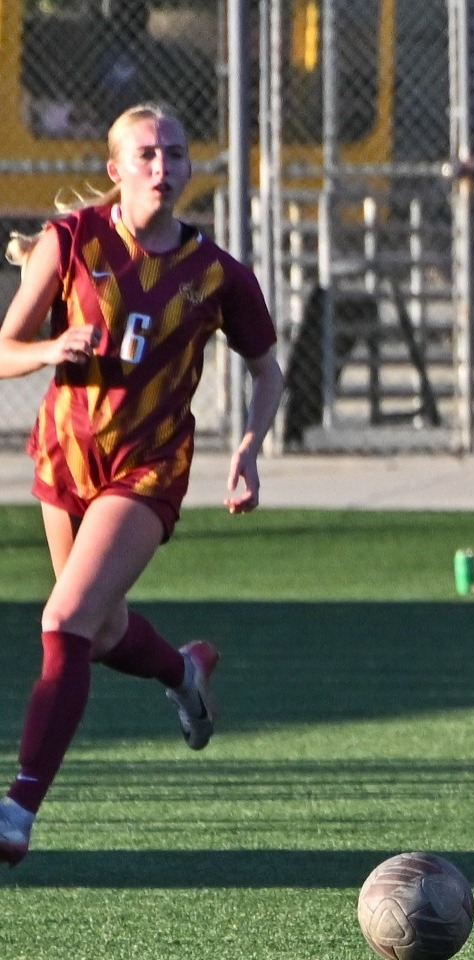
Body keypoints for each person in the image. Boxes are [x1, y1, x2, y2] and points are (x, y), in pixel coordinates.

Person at [0, 102, 284, 867]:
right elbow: (3, 348)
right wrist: (52, 346)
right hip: (64, 458)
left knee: (63, 622)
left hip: (146, 467)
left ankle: (17, 809)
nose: (163, 167)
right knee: (97, 631)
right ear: (116, 169)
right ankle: (182, 671)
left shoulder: (217, 272)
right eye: (148, 155)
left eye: (176, 155)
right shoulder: (69, 243)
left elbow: (267, 370)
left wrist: (249, 449)